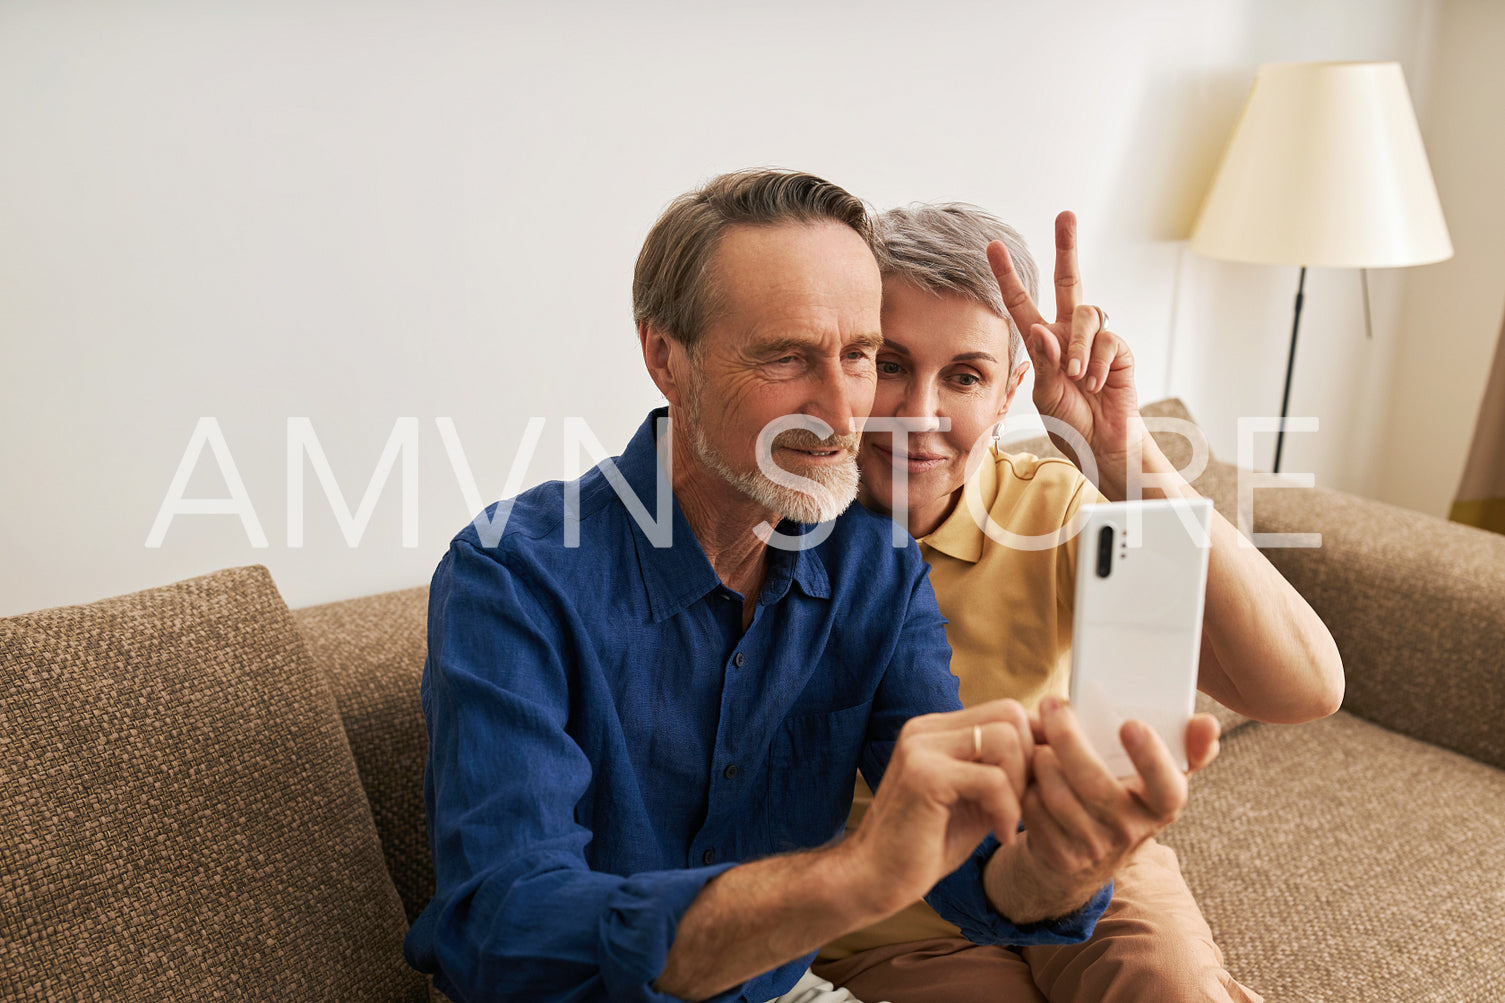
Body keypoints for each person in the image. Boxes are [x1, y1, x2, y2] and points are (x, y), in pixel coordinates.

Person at [403, 172, 1134, 1003]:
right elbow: (507, 931)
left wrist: (1063, 863)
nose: (840, 410)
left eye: (860, 356)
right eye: (787, 357)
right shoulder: (512, 574)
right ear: (664, 359)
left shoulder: (872, 564)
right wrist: (848, 878)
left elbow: (971, 870)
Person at [811, 203, 1346, 1002]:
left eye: (963, 375)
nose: (918, 409)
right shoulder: (778, 538)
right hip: (897, 925)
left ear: (1008, 392)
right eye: (889, 363)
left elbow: (1303, 689)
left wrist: (1123, 451)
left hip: (1085, 870)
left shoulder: (1054, 511)